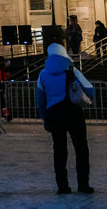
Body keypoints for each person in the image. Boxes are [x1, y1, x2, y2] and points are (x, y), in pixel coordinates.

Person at [36, 43, 94, 195]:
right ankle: (83, 184)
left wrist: (45, 118)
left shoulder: (42, 74)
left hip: (54, 115)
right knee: (81, 149)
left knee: (59, 151)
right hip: (74, 114)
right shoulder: (72, 71)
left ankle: (62, 186)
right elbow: (89, 89)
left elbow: (40, 100)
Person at [0, 56, 12, 122]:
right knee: (0, 101)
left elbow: (6, 76)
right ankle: (5, 115)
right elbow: (2, 78)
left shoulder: (0, 68)